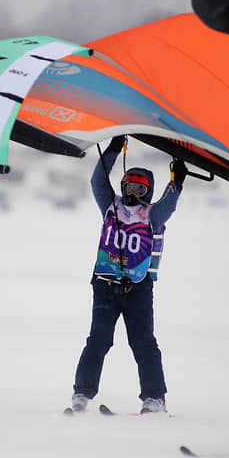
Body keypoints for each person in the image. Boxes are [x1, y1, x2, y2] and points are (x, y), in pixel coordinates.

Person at [70, 136, 187, 414]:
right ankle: (82, 393)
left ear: (148, 191)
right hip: (105, 286)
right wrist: (112, 150)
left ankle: (154, 397)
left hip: (138, 288)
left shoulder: (152, 215)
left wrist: (177, 182)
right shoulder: (110, 205)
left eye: (139, 188)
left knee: (144, 343)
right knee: (98, 340)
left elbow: (169, 205)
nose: (132, 192)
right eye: (128, 186)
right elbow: (98, 181)